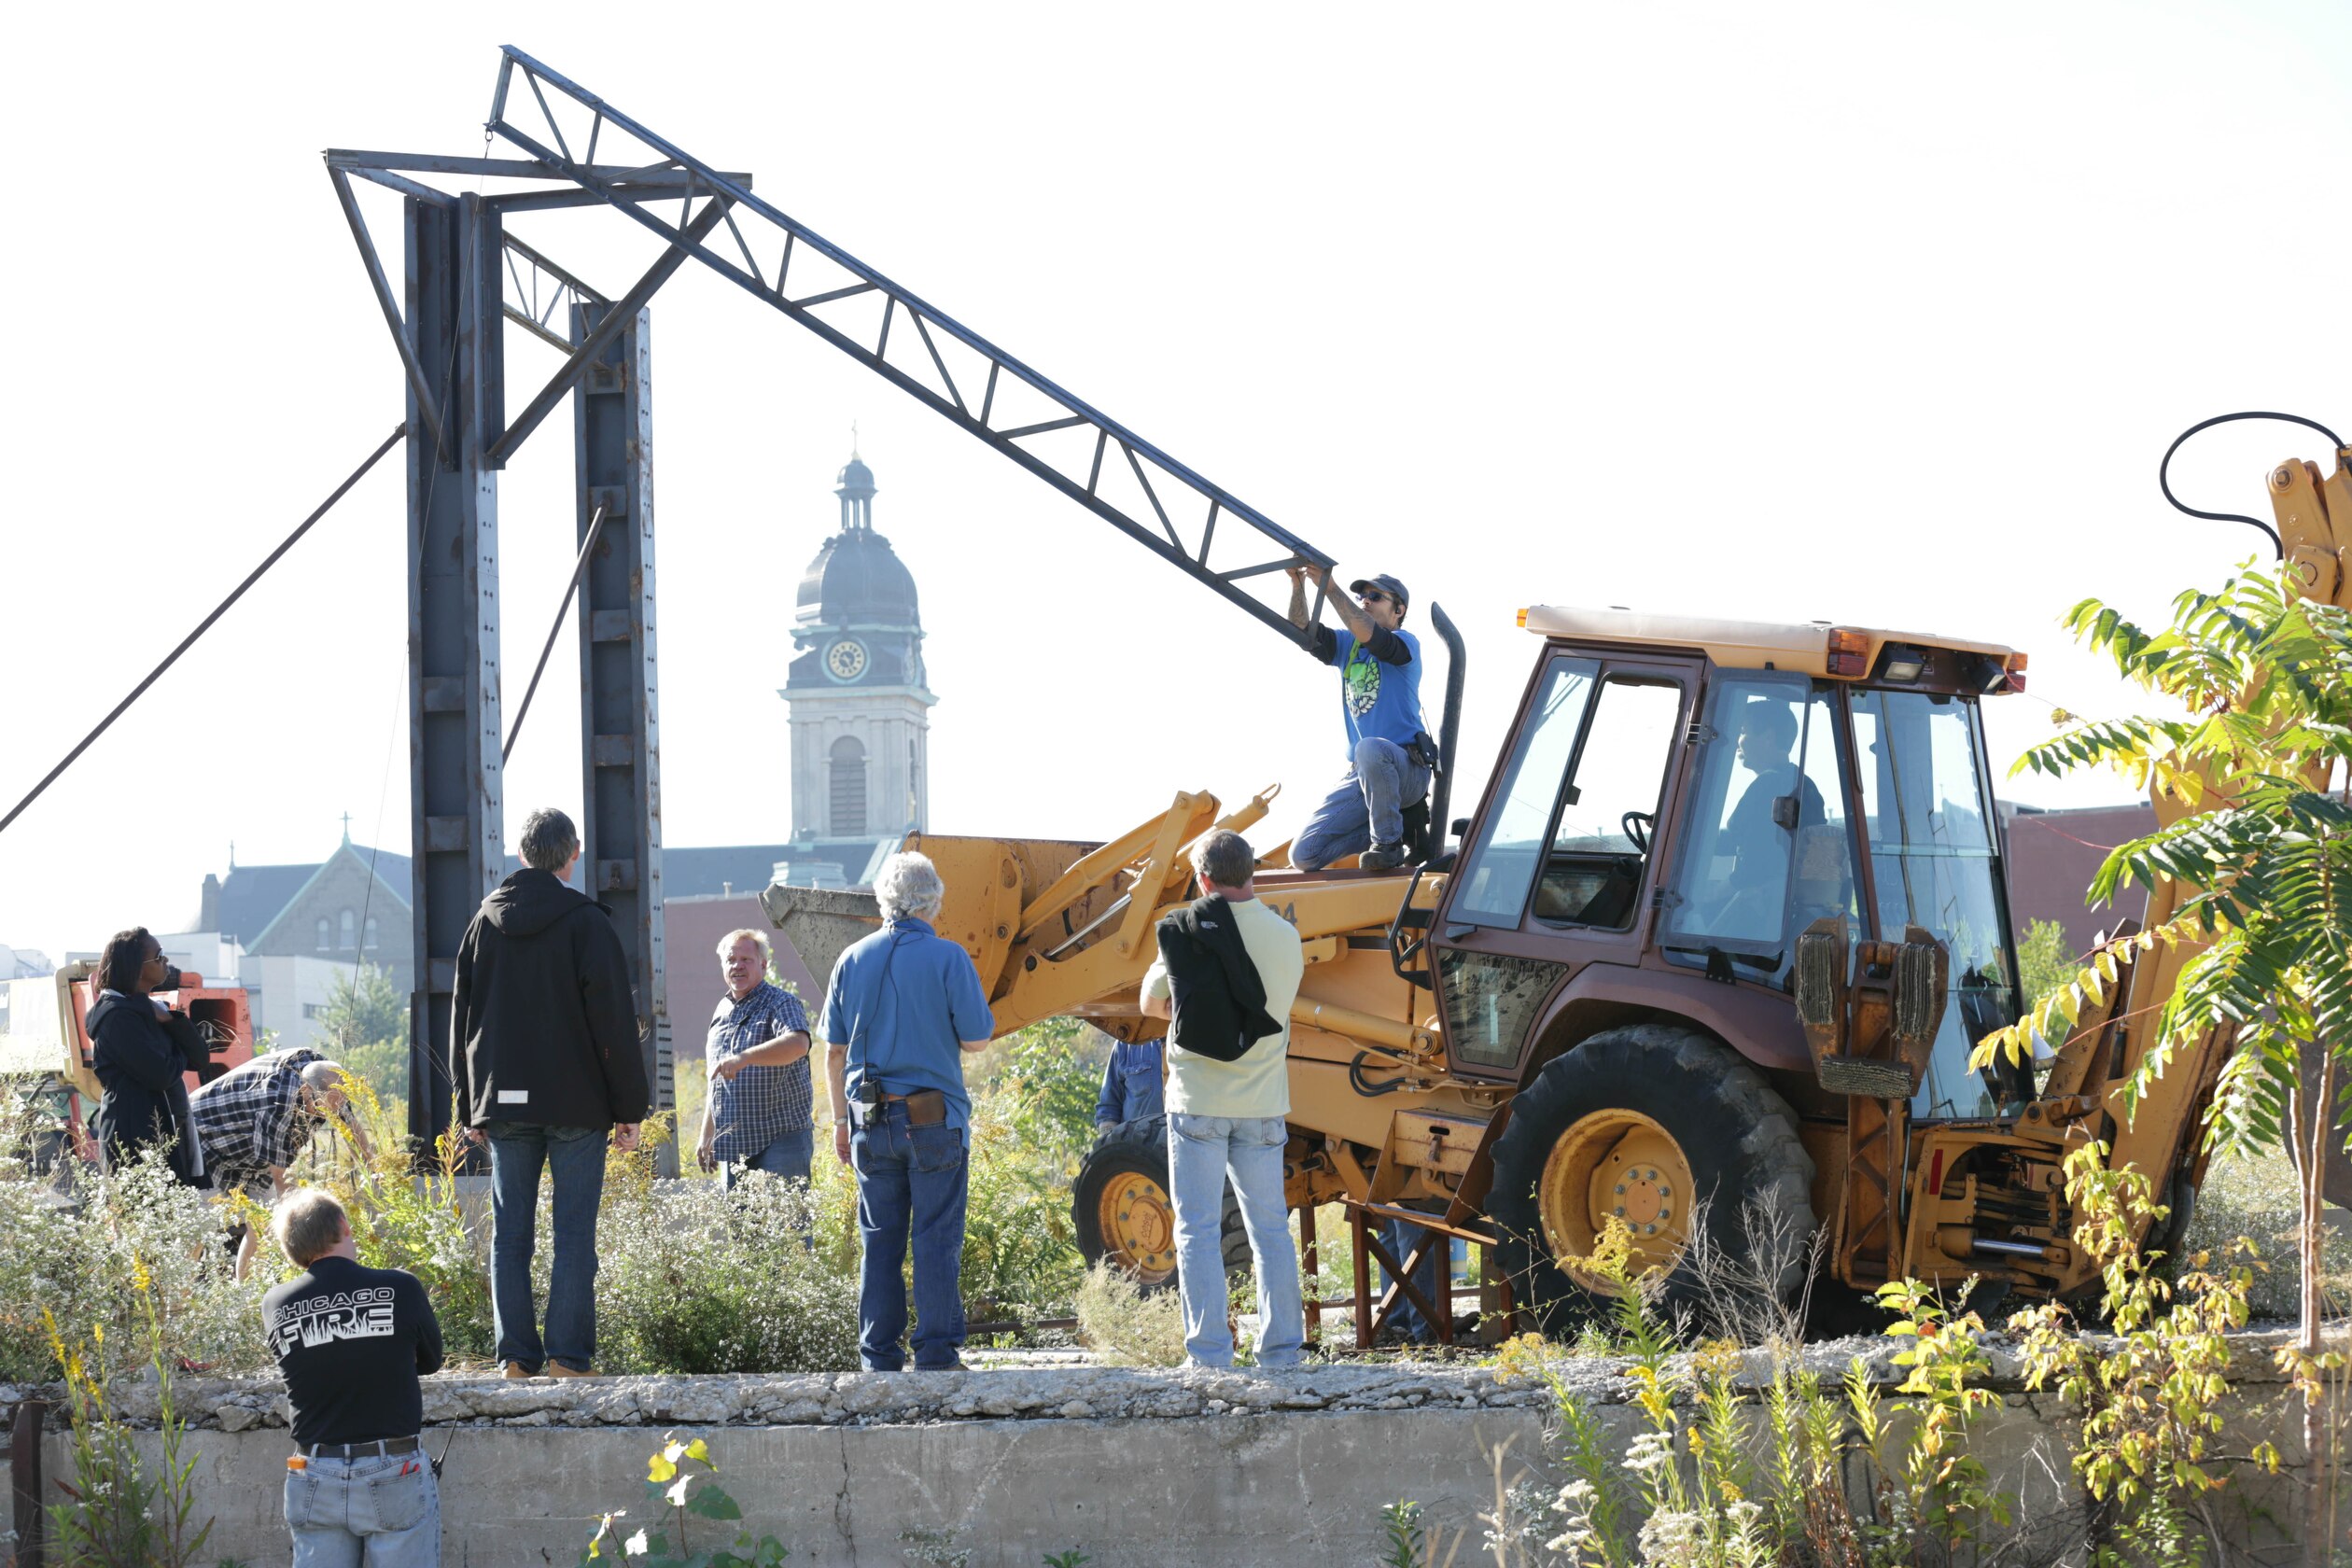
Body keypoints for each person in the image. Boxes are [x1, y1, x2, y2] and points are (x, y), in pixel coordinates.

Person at [450, 806, 649, 1379]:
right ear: (573, 854)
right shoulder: (587, 923)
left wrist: (471, 1106)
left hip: (503, 1105)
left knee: (509, 1234)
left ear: (521, 854)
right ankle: (567, 1358)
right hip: (576, 1105)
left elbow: (462, 1021)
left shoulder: (482, 924)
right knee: (573, 1232)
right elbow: (613, 1021)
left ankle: (515, 1358)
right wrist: (627, 1108)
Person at [819, 851, 994, 1372]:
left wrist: (839, 1124)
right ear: (934, 901)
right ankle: (937, 1356)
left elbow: (833, 1051)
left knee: (880, 1242)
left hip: (869, 1123)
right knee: (936, 1238)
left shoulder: (850, 959)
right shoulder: (949, 958)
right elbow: (978, 1039)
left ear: (883, 899)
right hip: (934, 1121)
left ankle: (878, 1358)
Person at [1140, 828, 1307, 1370]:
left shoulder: (1189, 933)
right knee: (1271, 1232)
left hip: (1197, 1102)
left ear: (1203, 878)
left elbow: (1150, 1002)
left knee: (1196, 1231)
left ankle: (1210, 1356)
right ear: (1251, 872)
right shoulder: (1286, 937)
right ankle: (1281, 1353)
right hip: (1262, 1104)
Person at [264, 1187, 444, 1567]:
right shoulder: (400, 1287)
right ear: (344, 1226)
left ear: (292, 1249)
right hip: (393, 1466)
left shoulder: (276, 1303)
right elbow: (430, 1361)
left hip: (313, 1469)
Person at [1284, 564, 1433, 872]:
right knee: (1303, 855)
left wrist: (1331, 590)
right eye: (1362, 595)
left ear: (1399, 610)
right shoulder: (1347, 646)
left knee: (1370, 748)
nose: (1366, 599)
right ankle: (1394, 829)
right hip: (1364, 773)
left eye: (1375, 596)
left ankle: (1388, 845)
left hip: (1405, 767)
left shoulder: (1406, 643)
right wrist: (1298, 585)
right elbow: (1301, 630)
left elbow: (1374, 638)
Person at [190, 1046, 372, 1279]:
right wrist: (303, 1239)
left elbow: (350, 1126)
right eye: (322, 1110)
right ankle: (177, 1305)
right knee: (200, 1225)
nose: (327, 1117)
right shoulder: (278, 1104)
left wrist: (374, 1169)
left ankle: (249, 1297)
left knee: (262, 1224)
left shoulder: (328, 1081)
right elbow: (282, 1183)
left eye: (334, 1110)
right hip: (207, 1138)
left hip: (252, 1144)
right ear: (306, 1092)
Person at [696, 928, 815, 1192]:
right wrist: (707, 1133)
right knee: (743, 1232)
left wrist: (745, 1058)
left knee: (787, 1229)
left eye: (746, 960)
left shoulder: (781, 1003)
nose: (737, 966)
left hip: (780, 1139)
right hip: (734, 1145)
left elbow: (798, 1044)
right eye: (731, 960)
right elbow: (716, 1082)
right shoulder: (721, 1011)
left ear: (763, 964)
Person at [85, 927, 205, 1186]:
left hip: (163, 1129)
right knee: (147, 1218)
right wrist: (177, 1048)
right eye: (159, 956)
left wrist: (171, 1020)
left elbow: (200, 1059)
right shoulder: (116, 1016)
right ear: (136, 967)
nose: (166, 961)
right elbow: (160, 1075)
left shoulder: (152, 1010)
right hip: (134, 1138)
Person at [1093, 1034, 1166, 1132]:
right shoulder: (1127, 1044)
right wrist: (1112, 1143)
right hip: (1137, 1144)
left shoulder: (1190, 1043)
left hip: (1185, 1142)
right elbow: (1109, 1108)